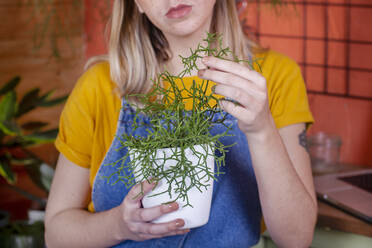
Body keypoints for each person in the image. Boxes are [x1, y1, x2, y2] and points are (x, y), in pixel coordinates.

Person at [44, 0, 317, 247]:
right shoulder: (100, 85)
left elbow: (297, 238)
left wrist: (261, 130)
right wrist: (118, 225)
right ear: (137, 4)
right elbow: (56, 234)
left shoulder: (273, 78)